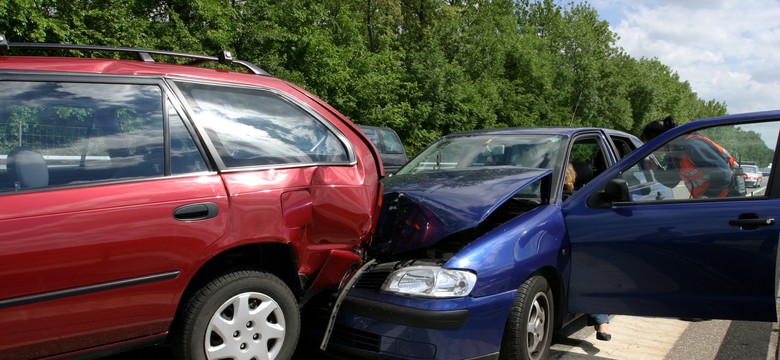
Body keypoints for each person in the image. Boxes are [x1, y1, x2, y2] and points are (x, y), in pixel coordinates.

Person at [563, 163, 612, 341]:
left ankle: (601, 320)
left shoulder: (579, 199)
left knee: (591, 270)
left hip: (575, 249)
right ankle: (602, 321)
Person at [641, 116, 743, 198]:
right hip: (714, 201)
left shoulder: (691, 145)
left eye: (650, 146)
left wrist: (707, 197)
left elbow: (724, 174)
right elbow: (672, 182)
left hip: (728, 199)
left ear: (660, 140)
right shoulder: (675, 152)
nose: (651, 151)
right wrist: (655, 169)